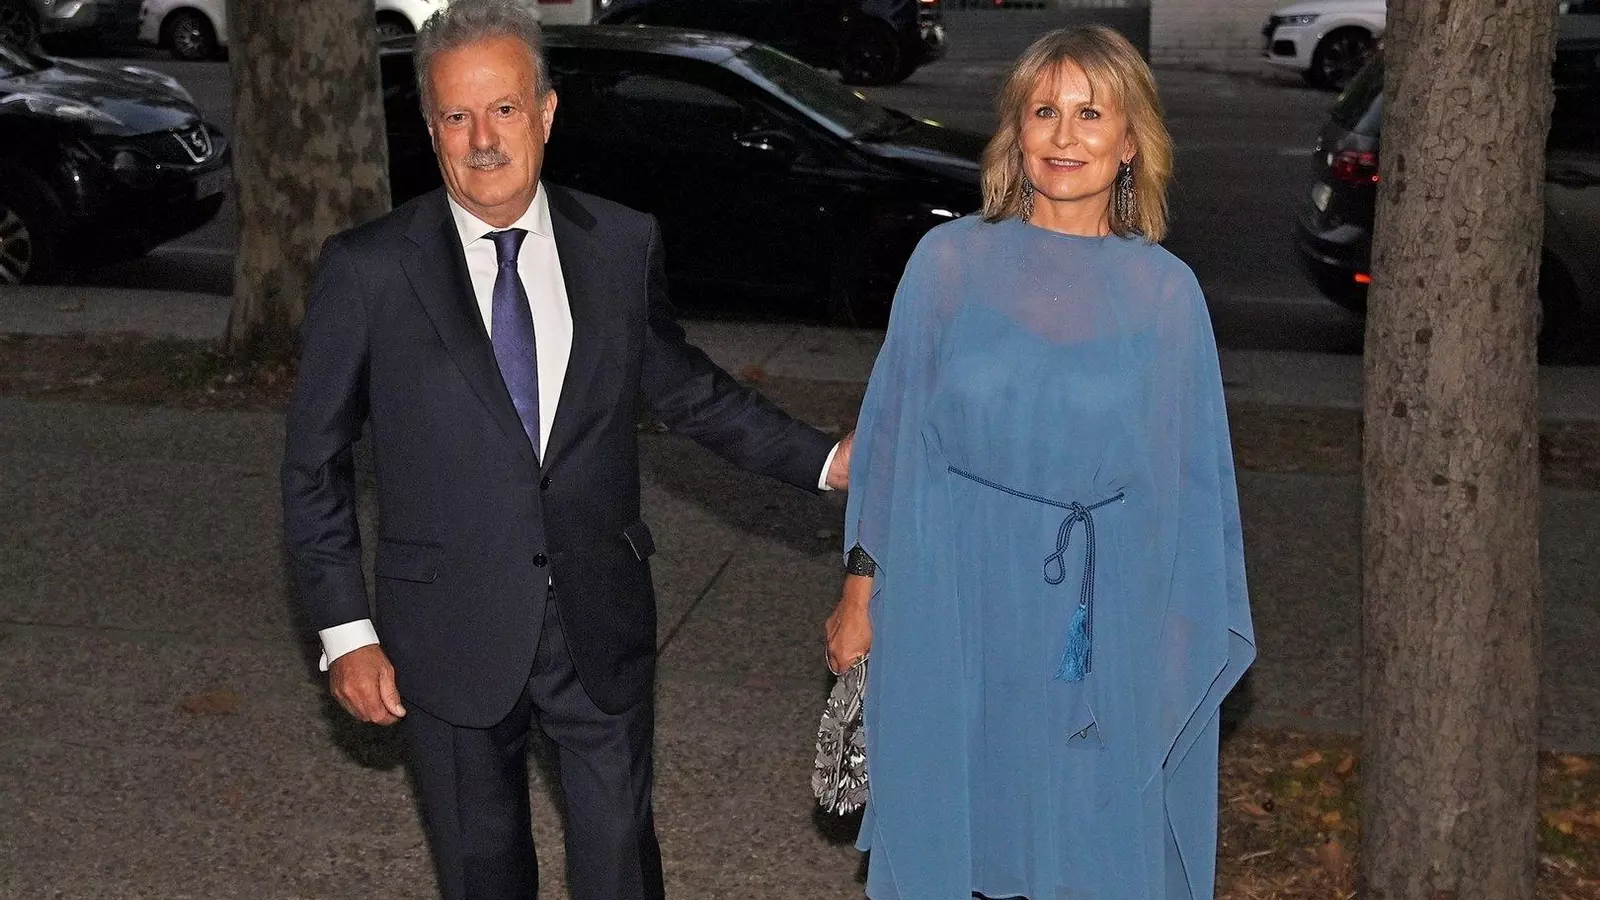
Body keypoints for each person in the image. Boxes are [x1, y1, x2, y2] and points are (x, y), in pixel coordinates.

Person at [280, 2, 851, 898]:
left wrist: (825, 461)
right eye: (457, 115)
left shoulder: (619, 244)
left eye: (504, 109)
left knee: (620, 862)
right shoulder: (369, 269)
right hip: (446, 632)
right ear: (430, 128)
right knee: (483, 870)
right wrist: (347, 633)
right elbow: (315, 467)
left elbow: (690, 392)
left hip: (598, 618)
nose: (483, 139)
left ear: (545, 113)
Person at [824, 26, 1256, 900]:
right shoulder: (948, 261)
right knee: (953, 822)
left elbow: (1188, 489)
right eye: (1044, 110)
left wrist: (1172, 644)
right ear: (1015, 131)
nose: (1064, 136)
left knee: (1083, 841)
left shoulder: (1166, 294)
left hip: (1095, 618)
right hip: (952, 591)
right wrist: (860, 593)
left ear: (1130, 141)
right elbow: (895, 435)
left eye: (1091, 114)